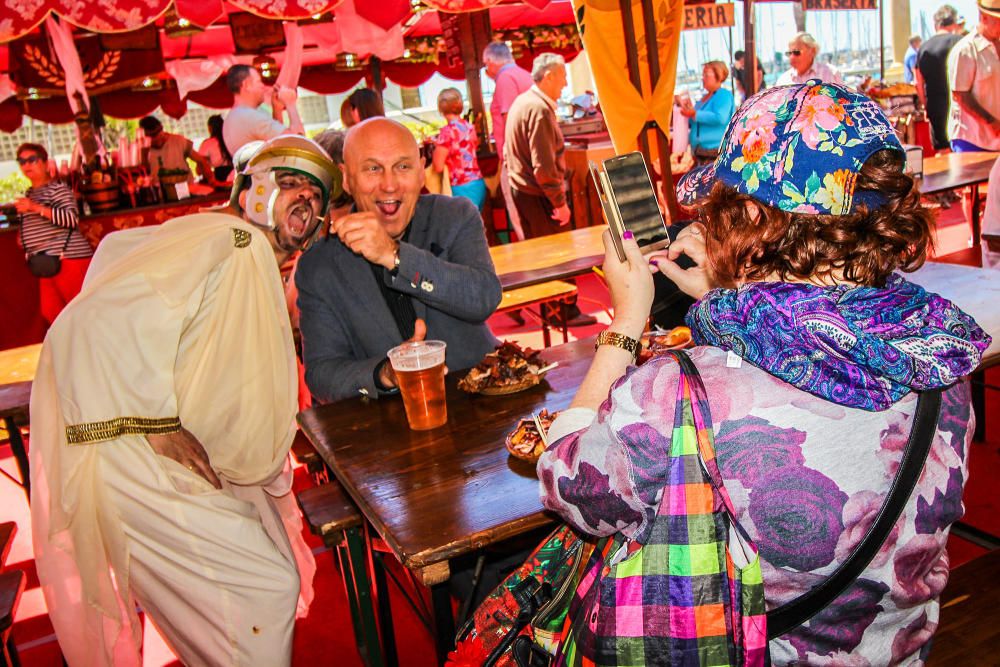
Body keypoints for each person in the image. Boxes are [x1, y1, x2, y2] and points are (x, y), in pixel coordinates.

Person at [536, 82, 990, 664]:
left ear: (751, 215)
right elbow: (817, 342)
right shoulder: (940, 350)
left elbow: (568, 483)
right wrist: (729, 296)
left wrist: (626, 320)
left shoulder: (681, 391)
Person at [30, 135, 339, 666]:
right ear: (253, 189)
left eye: (315, 195)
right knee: (262, 588)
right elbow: (88, 322)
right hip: (137, 458)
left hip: (161, 459)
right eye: (289, 184)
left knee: (243, 602)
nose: (303, 202)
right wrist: (157, 422)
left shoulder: (236, 247)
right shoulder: (233, 240)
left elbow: (115, 263)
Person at [296, 118, 502, 403]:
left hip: (484, 404)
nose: (389, 185)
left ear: (420, 171)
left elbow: (483, 298)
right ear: (346, 178)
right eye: (372, 168)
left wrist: (394, 256)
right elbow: (322, 374)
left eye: (402, 167)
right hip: (391, 427)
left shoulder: (454, 216)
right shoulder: (320, 264)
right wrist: (385, 373)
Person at [505, 52, 597, 327]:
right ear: (548, 77)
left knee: (539, 254)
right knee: (557, 255)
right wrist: (560, 202)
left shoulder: (525, 102)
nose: (565, 83)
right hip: (539, 194)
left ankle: (536, 303)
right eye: (562, 76)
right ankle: (562, 312)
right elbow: (543, 166)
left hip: (526, 190)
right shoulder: (538, 108)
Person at [14, 142, 94, 325]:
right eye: (22, 161)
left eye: (32, 160)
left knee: (80, 309)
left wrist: (34, 207)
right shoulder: (30, 193)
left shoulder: (57, 189)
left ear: (44, 162)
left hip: (68, 257)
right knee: (52, 311)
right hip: (46, 261)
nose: (27, 165)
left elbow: (71, 219)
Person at [483, 41, 534, 241]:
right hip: (529, 152)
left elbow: (509, 119)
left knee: (518, 211)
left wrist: (510, 156)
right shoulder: (524, 75)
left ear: (489, 61)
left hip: (516, 157)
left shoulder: (505, 78)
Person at [947, 1, 1000, 153]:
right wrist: (991, 122)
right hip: (972, 140)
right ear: (984, 18)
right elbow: (960, 95)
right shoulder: (965, 50)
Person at [222, 64, 304, 155]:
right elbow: (299, 143)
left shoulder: (233, 116)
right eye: (259, 81)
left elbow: (276, 141)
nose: (263, 86)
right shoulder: (249, 116)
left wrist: (277, 110)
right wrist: (290, 103)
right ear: (246, 85)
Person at [916, 5, 965, 150]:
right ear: (954, 23)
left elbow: (918, 83)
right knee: (963, 153)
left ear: (936, 24)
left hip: (936, 106)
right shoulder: (962, 42)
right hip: (960, 106)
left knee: (942, 152)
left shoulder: (924, 48)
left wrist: (926, 106)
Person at [433, 88, 487, 209]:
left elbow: (438, 166)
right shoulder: (469, 127)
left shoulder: (446, 133)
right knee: (476, 224)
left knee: (464, 226)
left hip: (461, 186)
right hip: (478, 182)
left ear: (441, 108)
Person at [678, 60, 736, 165]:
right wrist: (689, 109)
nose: (702, 78)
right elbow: (694, 121)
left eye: (706, 74)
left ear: (718, 75)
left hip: (714, 152)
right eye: (702, 74)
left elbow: (720, 118)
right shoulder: (704, 99)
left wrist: (694, 114)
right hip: (700, 152)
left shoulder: (723, 95)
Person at [138, 116, 220, 188]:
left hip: (185, 190)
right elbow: (141, 174)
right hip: (160, 194)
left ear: (162, 129)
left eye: (156, 135)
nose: (155, 139)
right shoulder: (142, 150)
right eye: (150, 137)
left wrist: (211, 180)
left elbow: (201, 161)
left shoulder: (178, 141)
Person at [775, 32, 843, 86]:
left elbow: (844, 101)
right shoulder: (783, 81)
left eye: (796, 52)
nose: (792, 57)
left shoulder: (832, 73)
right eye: (789, 53)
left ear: (812, 51)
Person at [198, 114, 234, 182]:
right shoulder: (231, 139)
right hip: (236, 175)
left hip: (219, 178)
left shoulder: (208, 143)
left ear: (210, 128)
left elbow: (200, 169)